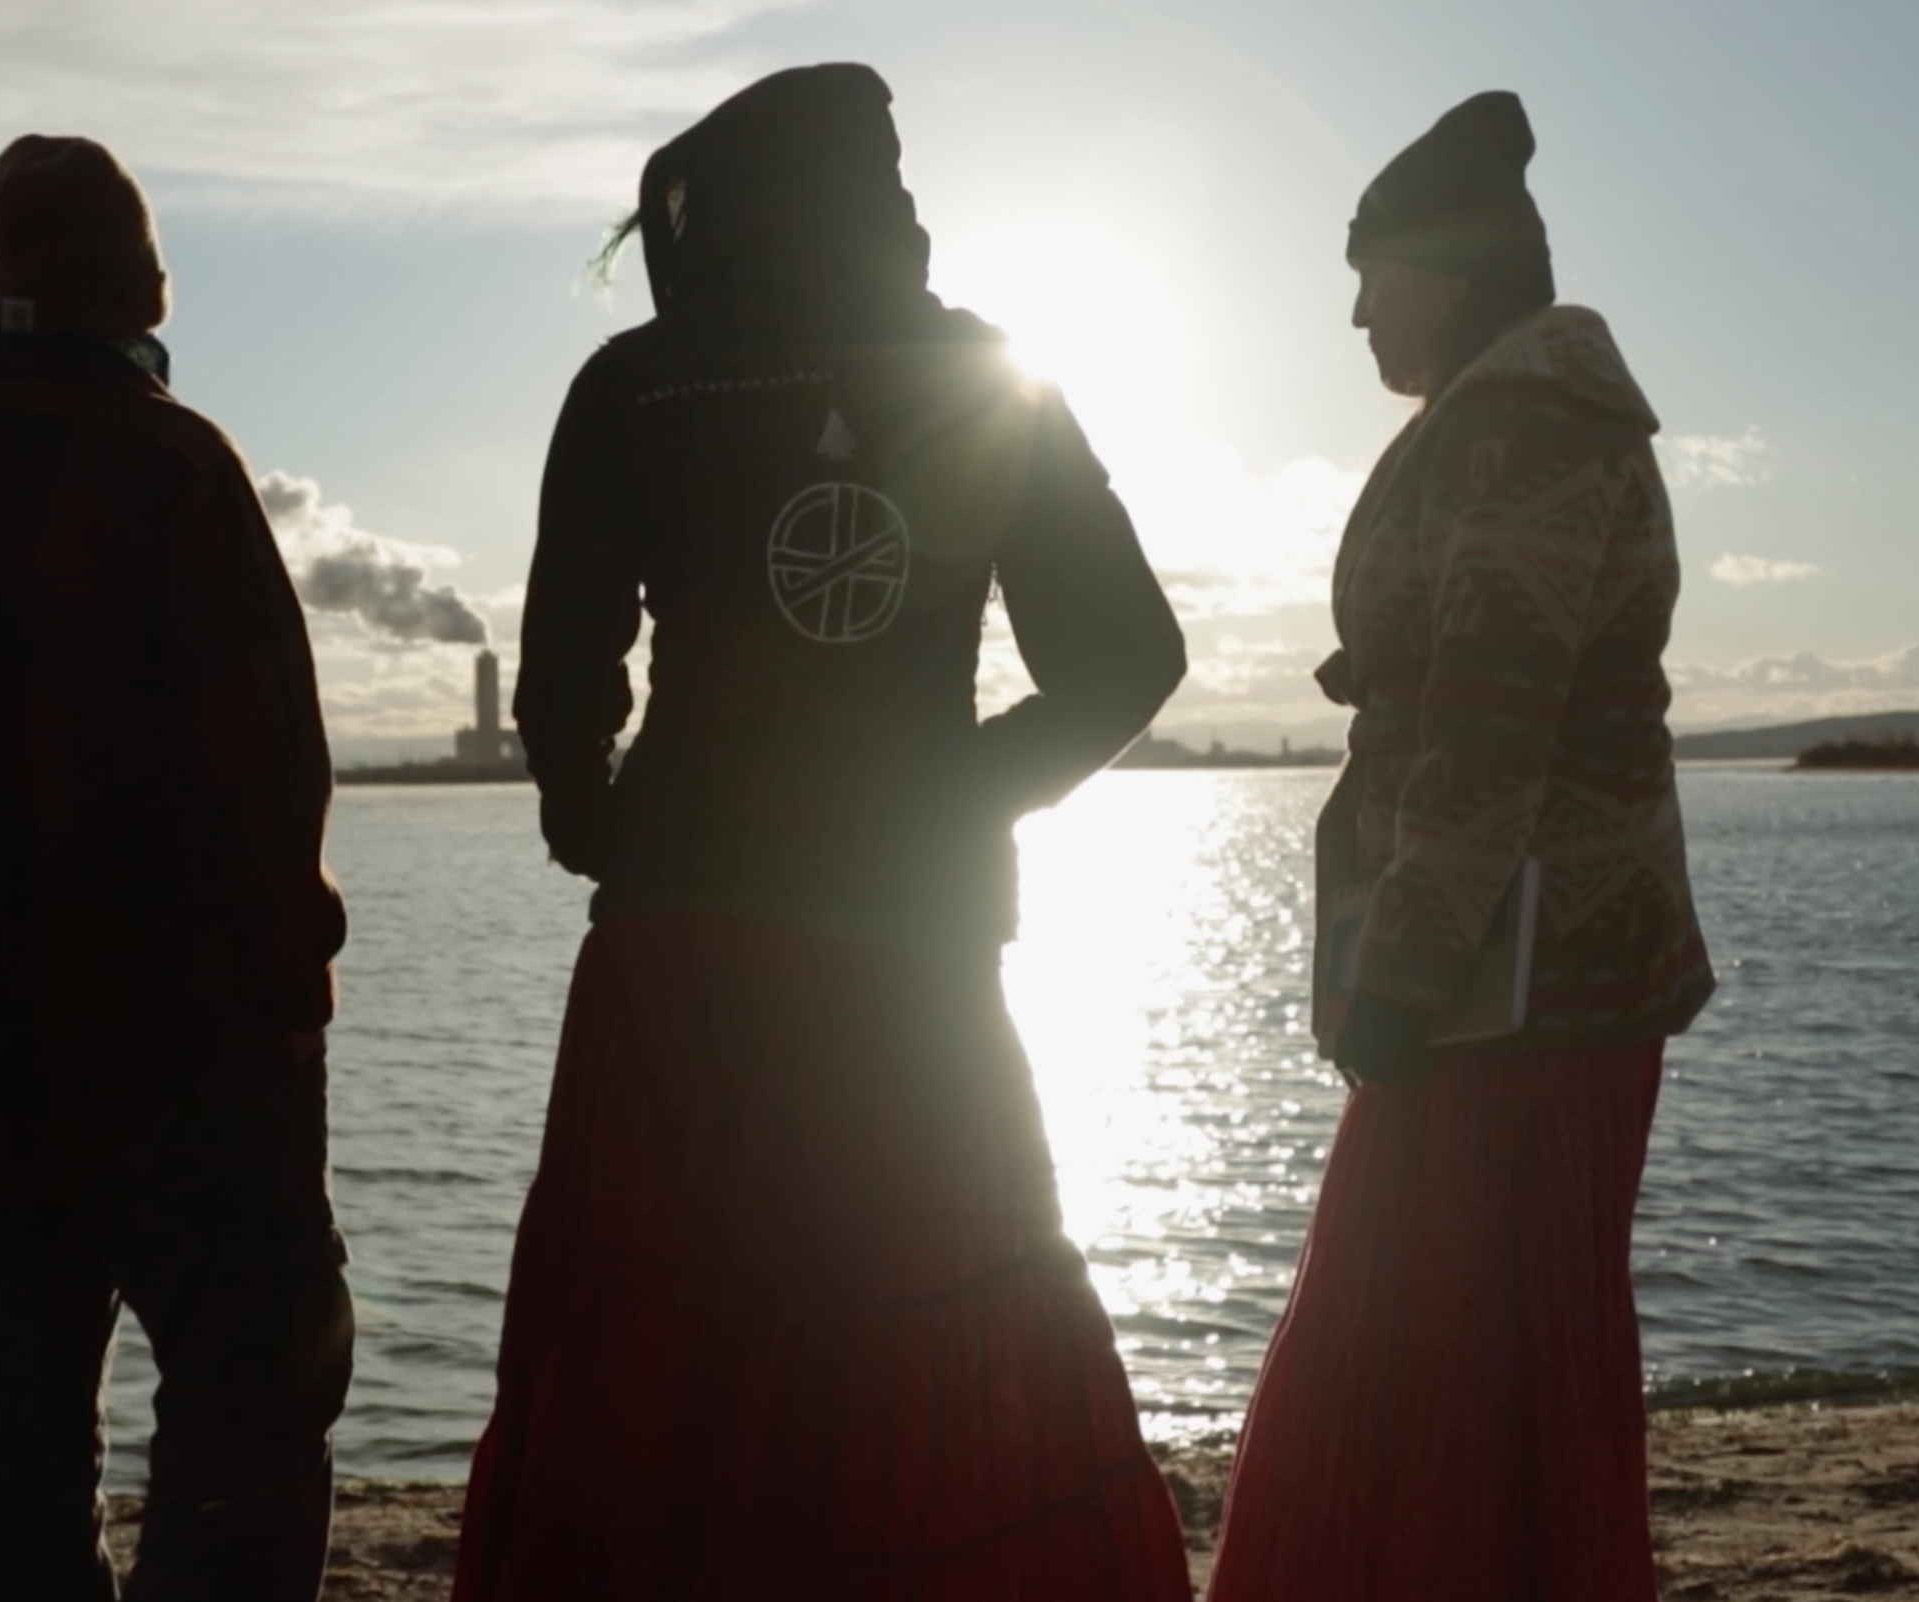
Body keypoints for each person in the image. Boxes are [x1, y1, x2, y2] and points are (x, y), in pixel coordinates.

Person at [453, 64, 1196, 1602]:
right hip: (906, 961)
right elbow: (1128, 656)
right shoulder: (985, 376)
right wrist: (949, 797)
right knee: (923, 1335)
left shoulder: (634, 385)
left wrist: (612, 826)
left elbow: (560, 683)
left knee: (668, 1349)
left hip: (681, 958)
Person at [1205, 91, 1716, 1602]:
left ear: (1457, 265)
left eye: (1374, 270)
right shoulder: (1499, 417)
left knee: (1440, 1345)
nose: (1355, 307)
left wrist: (1402, 973)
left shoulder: (1519, 429)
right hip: (1516, 966)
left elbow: (1493, 719)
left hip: (1516, 984)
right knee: (1471, 1350)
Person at [0, 134, 354, 1602]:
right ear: (145, 293)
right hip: (181, 1056)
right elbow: (269, 777)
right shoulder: (173, 465)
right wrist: (284, 1003)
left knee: (20, 1428)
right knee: (251, 1403)